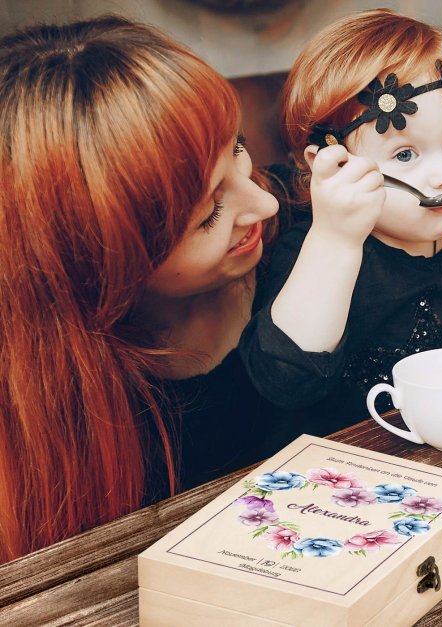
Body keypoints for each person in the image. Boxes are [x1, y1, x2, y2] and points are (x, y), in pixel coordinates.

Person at [0, 15, 282, 562]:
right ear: (93, 260)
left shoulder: (309, 239)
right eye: (209, 213)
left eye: (239, 148)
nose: (264, 204)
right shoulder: (44, 421)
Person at [240, 8, 442, 435]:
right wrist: (335, 240)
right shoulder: (316, 252)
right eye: (405, 154)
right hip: (349, 480)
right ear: (332, 166)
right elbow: (285, 383)